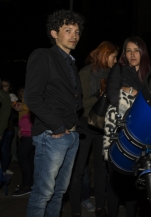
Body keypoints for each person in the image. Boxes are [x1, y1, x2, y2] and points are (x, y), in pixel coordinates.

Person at [24, 9, 84, 217]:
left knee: (59, 193)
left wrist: (75, 129)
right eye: (68, 30)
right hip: (52, 135)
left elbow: (73, 102)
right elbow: (32, 97)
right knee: (43, 194)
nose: (74, 35)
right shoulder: (43, 55)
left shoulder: (71, 64)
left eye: (77, 31)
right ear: (54, 33)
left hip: (71, 135)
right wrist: (57, 126)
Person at [69, 41, 119, 217]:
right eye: (114, 56)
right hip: (85, 124)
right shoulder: (85, 72)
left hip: (103, 126)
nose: (116, 60)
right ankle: (75, 210)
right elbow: (80, 104)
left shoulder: (114, 74)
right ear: (105, 55)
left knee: (101, 170)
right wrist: (99, 94)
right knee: (78, 169)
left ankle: (100, 207)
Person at [104, 36, 151, 217]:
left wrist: (131, 91)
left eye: (136, 50)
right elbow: (112, 95)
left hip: (141, 132)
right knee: (115, 179)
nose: (132, 54)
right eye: (128, 50)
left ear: (143, 53)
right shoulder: (119, 68)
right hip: (119, 128)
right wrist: (135, 96)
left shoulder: (150, 74)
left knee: (135, 179)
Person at [11, 92, 35, 196]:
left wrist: (23, 107)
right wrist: (21, 128)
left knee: (22, 154)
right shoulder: (27, 90)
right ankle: (30, 183)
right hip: (26, 131)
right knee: (30, 157)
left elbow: (35, 105)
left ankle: (27, 185)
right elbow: (23, 113)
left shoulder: (35, 86)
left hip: (32, 131)